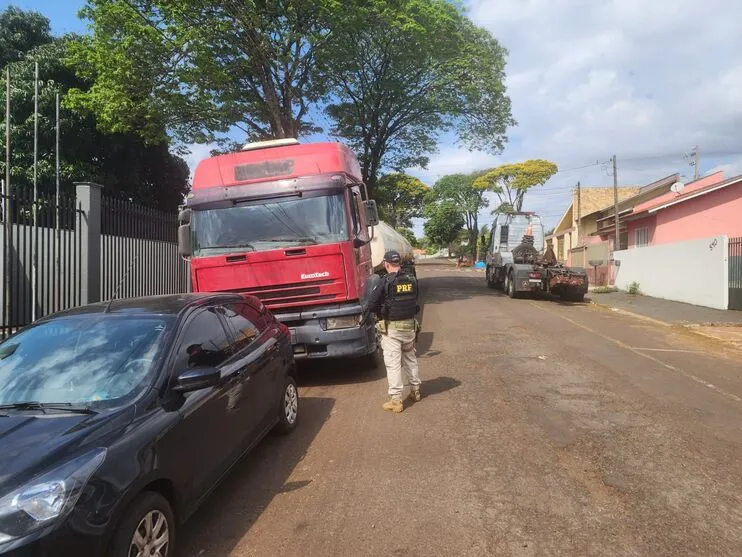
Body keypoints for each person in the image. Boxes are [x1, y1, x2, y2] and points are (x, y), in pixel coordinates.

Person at [368, 250, 422, 413]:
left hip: (392, 329)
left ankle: (396, 400)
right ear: (399, 263)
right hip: (409, 327)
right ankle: (415, 391)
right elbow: (415, 300)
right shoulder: (411, 279)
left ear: (386, 264)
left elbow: (371, 305)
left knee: (393, 365)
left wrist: (380, 311)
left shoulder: (385, 281)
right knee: (410, 358)